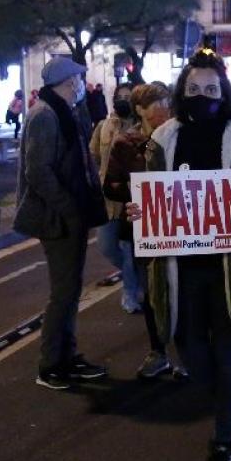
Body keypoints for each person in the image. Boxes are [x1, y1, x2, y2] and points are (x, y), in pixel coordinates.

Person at [126, 50, 231, 461]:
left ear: (223, 92)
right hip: (179, 270)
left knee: (227, 352)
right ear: (181, 92)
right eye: (193, 89)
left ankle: (223, 442)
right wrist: (140, 213)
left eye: (210, 89)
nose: (202, 96)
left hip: (228, 269)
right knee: (190, 353)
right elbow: (148, 198)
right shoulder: (162, 140)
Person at [14, 56, 110, 391]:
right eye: (79, 79)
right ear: (70, 82)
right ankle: (52, 364)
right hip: (58, 217)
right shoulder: (45, 114)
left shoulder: (61, 111)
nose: (82, 84)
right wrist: (68, 207)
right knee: (64, 292)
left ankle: (66, 356)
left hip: (70, 213)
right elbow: (37, 172)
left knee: (70, 291)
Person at [102, 82, 187, 380]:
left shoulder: (183, 137)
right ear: (140, 110)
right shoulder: (127, 143)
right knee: (153, 293)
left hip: (181, 227)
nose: (161, 110)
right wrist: (138, 193)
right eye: (154, 104)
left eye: (165, 102)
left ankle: (187, 353)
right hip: (146, 229)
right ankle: (158, 350)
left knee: (184, 290)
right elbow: (111, 186)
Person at [89, 82, 143, 313]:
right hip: (108, 199)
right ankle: (139, 275)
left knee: (128, 249)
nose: (123, 99)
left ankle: (130, 292)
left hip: (131, 198)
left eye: (127, 96)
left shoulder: (142, 129)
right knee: (107, 246)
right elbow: (94, 156)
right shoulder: (103, 126)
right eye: (119, 96)